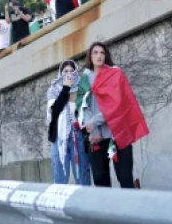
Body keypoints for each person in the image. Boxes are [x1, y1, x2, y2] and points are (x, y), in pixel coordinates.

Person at [80, 42, 149, 188]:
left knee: (125, 179)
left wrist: (93, 123)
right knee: (100, 180)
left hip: (117, 134)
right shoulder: (84, 79)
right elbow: (83, 106)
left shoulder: (115, 74)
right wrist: (94, 130)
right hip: (96, 137)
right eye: (95, 53)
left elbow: (115, 105)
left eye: (102, 53)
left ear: (106, 56)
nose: (99, 56)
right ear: (90, 56)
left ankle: (128, 210)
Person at [46, 60, 91, 185]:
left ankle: (83, 201)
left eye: (72, 71)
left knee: (82, 174)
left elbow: (87, 109)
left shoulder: (82, 87)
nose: (69, 74)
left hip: (79, 134)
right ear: (61, 73)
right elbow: (54, 110)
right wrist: (66, 87)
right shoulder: (54, 89)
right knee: (60, 174)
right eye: (65, 71)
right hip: (60, 136)